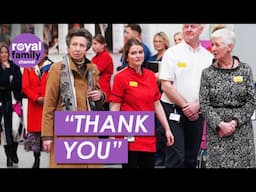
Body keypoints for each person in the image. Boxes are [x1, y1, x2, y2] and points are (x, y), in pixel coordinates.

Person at [41, 28, 105, 168]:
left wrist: (100, 96)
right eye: (74, 44)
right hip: (66, 133)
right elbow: (49, 105)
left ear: (87, 48)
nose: (77, 49)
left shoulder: (92, 68)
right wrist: (47, 136)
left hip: (89, 132)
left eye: (82, 45)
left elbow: (98, 95)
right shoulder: (57, 69)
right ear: (68, 46)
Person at [110, 38, 174, 168]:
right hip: (128, 134)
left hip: (147, 134)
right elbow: (115, 107)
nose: (138, 56)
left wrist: (167, 129)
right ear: (126, 57)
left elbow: (157, 104)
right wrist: (112, 134)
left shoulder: (151, 76)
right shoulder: (120, 78)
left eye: (140, 52)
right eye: (133, 53)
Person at [199, 28, 256, 168]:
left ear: (230, 47)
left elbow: (251, 101)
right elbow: (204, 104)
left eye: (217, 45)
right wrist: (221, 124)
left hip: (241, 131)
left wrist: (235, 122)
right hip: (218, 132)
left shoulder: (245, 70)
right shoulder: (207, 73)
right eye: (212, 44)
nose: (213, 48)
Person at [159, 24, 213, 168]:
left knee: (191, 158)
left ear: (201, 30)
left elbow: (211, 88)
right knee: (176, 157)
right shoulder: (172, 53)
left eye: (193, 26)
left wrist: (197, 105)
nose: (189, 29)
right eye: (186, 26)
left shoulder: (209, 57)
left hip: (198, 111)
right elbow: (166, 85)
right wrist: (185, 106)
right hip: (173, 110)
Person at [22, 42, 53, 168]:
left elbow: (54, 86)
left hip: (48, 105)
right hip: (34, 106)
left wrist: (47, 98)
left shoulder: (52, 67)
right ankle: (36, 159)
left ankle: (52, 161)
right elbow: (25, 86)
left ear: (45, 53)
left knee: (48, 133)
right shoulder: (28, 67)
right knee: (35, 135)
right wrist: (36, 98)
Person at [147, 32, 170, 166]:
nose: (157, 44)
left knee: (163, 127)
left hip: (164, 93)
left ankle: (164, 155)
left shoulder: (169, 56)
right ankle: (157, 155)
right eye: (155, 41)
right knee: (155, 126)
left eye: (160, 41)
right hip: (153, 92)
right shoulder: (152, 57)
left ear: (165, 42)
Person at [0, 42, 23, 168]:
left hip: (16, 102)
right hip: (2, 103)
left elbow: (19, 82)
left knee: (15, 129)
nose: (4, 54)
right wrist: (9, 83)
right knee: (5, 131)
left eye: (5, 52)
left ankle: (13, 152)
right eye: (1, 52)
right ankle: (9, 156)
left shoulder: (14, 66)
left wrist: (7, 85)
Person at [91, 34, 114, 110]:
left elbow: (95, 71)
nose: (93, 46)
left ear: (103, 45)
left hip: (103, 90)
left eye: (95, 44)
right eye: (92, 44)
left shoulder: (105, 56)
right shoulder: (95, 57)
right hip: (96, 90)